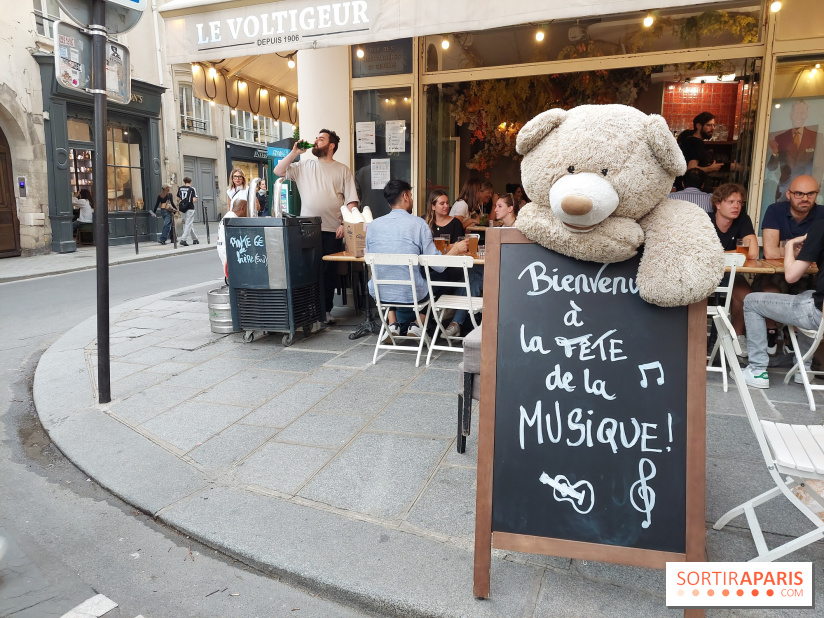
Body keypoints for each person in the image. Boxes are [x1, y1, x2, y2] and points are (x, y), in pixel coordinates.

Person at [274, 129, 359, 323]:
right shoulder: (304, 165)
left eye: (321, 139)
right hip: (307, 229)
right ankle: (308, 310)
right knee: (307, 271)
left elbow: (351, 202)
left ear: (331, 146)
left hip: (332, 229)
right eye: (316, 138)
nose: (315, 141)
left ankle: (326, 310)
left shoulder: (342, 169)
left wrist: (346, 225)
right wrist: (294, 153)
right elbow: (278, 171)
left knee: (329, 272)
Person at [366, 180, 467, 338]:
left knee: (390, 275)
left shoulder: (373, 226)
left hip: (380, 292)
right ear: (406, 196)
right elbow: (438, 265)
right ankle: (418, 324)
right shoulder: (419, 224)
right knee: (438, 278)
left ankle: (392, 324)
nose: (412, 199)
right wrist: (455, 249)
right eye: (411, 196)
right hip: (410, 293)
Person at [739, 219, 824, 389]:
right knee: (808, 294)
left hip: (817, 315)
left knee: (751, 301)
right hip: (817, 309)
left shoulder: (821, 225)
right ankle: (803, 369)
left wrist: (790, 245)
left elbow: (791, 276)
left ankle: (757, 370)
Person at [754, 174, 824, 353]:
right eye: (799, 193)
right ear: (788, 194)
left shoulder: (822, 216)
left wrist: (786, 246)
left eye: (810, 194)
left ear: (817, 194)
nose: (805, 198)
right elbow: (770, 252)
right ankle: (772, 333)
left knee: (806, 290)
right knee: (770, 288)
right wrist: (807, 250)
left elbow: (782, 255)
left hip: (807, 276)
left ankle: (794, 340)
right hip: (776, 273)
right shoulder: (775, 210)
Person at [708, 183, 758, 350]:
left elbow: (752, 253)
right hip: (705, 273)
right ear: (718, 204)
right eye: (731, 202)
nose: (736, 206)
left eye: (739, 202)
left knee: (745, 294)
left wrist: (719, 254)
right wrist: (734, 253)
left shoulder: (743, 219)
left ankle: (737, 338)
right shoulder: (704, 220)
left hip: (731, 273)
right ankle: (695, 340)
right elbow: (697, 253)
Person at [767, 100, 824, 200]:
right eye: (795, 113)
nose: (798, 116)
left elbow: (818, 168)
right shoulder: (780, 138)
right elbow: (771, 168)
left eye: (802, 113)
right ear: (791, 115)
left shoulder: (817, 138)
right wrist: (775, 153)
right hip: (785, 191)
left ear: (806, 115)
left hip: (806, 192)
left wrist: (813, 191)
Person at [216, 199, 248, 279]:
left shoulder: (228, 216)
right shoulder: (232, 219)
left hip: (223, 248)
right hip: (227, 250)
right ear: (242, 209)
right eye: (247, 210)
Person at [177, 177, 200, 247]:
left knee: (188, 224)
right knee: (188, 224)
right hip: (190, 208)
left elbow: (178, 199)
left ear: (184, 181)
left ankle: (195, 239)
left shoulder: (180, 188)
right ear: (190, 182)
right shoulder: (192, 189)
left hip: (183, 208)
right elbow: (194, 200)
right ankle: (183, 239)